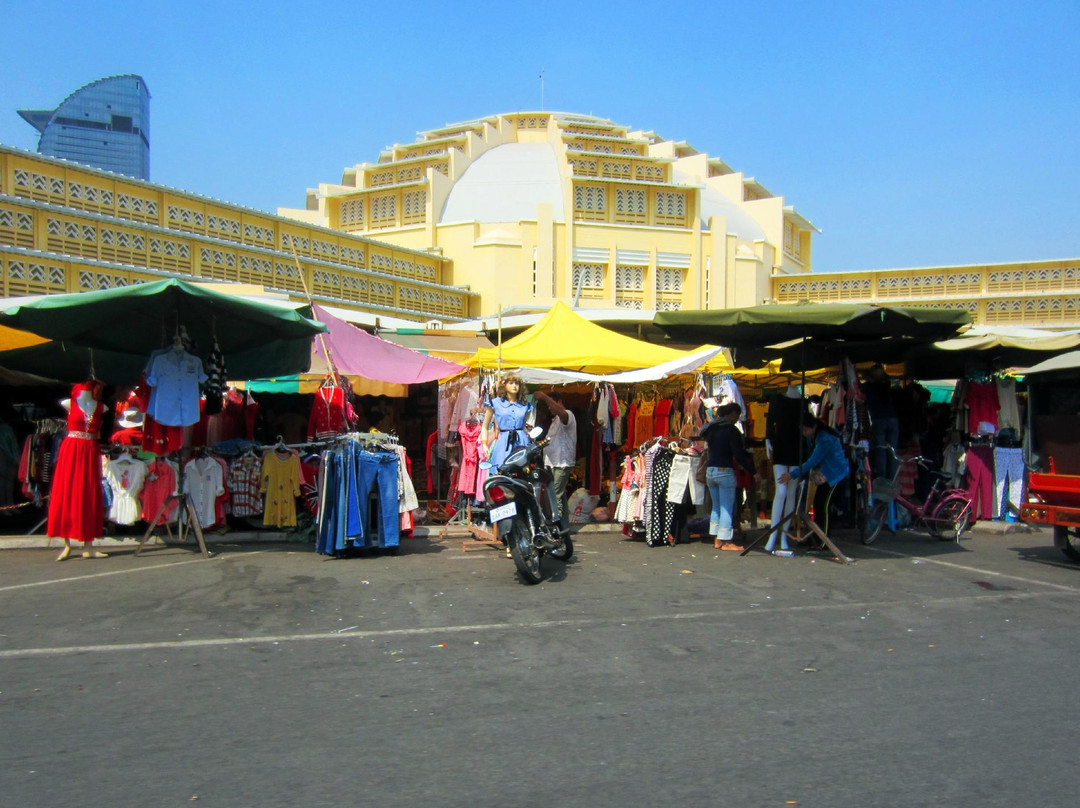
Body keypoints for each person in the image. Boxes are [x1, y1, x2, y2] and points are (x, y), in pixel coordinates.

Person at [778, 413, 849, 549]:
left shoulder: (824, 439)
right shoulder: (818, 436)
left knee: (825, 508)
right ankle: (816, 538)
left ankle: (824, 541)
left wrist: (792, 474)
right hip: (828, 475)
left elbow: (813, 461)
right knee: (818, 506)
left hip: (835, 476)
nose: (804, 433)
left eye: (805, 430)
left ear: (813, 427)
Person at [699, 402, 755, 551]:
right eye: (737, 415)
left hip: (710, 470)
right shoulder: (732, 430)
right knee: (726, 507)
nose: (737, 418)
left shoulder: (712, 428)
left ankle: (717, 539)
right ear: (731, 414)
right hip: (725, 470)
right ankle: (725, 541)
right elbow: (739, 454)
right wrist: (752, 470)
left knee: (716, 507)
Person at [535, 390, 576, 535]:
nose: (549, 408)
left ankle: (556, 530)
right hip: (551, 463)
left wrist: (545, 397)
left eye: (551, 404)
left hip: (562, 463)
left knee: (555, 496)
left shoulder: (567, 415)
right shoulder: (554, 422)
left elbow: (563, 414)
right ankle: (564, 526)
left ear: (558, 402)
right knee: (560, 495)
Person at [481, 374, 534, 471]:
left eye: (517, 383)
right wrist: (484, 444)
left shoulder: (524, 405)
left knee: (523, 471)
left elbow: (523, 426)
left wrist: (530, 434)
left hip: (521, 441)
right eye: (511, 383)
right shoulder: (495, 403)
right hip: (504, 442)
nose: (514, 386)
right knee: (502, 471)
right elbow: (485, 426)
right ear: (504, 385)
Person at [862, 363, 899, 481]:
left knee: (881, 451)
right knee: (892, 452)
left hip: (879, 420)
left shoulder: (868, 386)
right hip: (893, 419)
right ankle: (892, 479)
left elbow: (857, 388)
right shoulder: (886, 384)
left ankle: (882, 480)